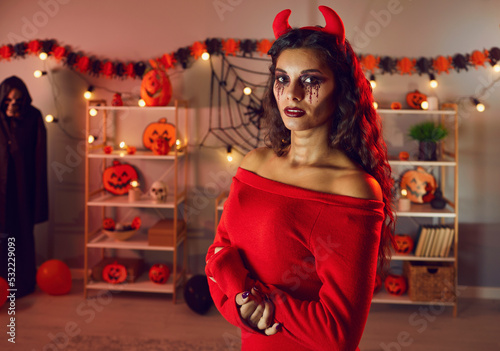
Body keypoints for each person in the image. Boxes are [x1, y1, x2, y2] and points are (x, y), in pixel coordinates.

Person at [205, 6, 394, 351]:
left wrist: (260, 302)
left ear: (341, 90)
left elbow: (338, 334)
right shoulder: (253, 165)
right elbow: (217, 255)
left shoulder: (352, 188)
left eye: (311, 80)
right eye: (282, 78)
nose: (291, 95)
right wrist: (242, 303)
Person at [0, 76, 48, 298]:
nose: (13, 104)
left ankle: (22, 283)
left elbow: (39, 156)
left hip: (23, 186)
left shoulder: (33, 117)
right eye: (8, 99)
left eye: (17, 100)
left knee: (21, 235)